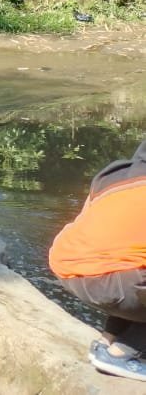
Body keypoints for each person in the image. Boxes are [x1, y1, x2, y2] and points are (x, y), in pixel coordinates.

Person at [49, 139, 146, 382]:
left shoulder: (114, 173)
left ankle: (108, 339)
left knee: (130, 259)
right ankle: (122, 354)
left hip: (67, 267)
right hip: (112, 282)